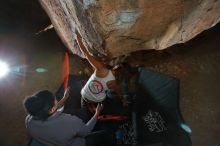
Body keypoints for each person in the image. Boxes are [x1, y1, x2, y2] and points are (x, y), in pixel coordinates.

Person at [23, 87, 107, 146]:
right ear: (52, 109)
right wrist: (97, 112)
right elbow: (86, 131)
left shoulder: (29, 119)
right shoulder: (69, 121)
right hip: (76, 143)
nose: (56, 100)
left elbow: (50, 110)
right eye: (55, 99)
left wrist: (64, 98)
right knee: (106, 135)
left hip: (52, 140)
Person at [75, 31, 128, 113]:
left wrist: (79, 40)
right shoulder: (114, 83)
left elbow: (86, 54)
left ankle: (85, 107)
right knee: (109, 92)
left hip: (84, 94)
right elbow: (119, 93)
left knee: (88, 96)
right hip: (97, 99)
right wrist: (123, 100)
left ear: (116, 67)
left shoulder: (101, 68)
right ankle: (101, 107)